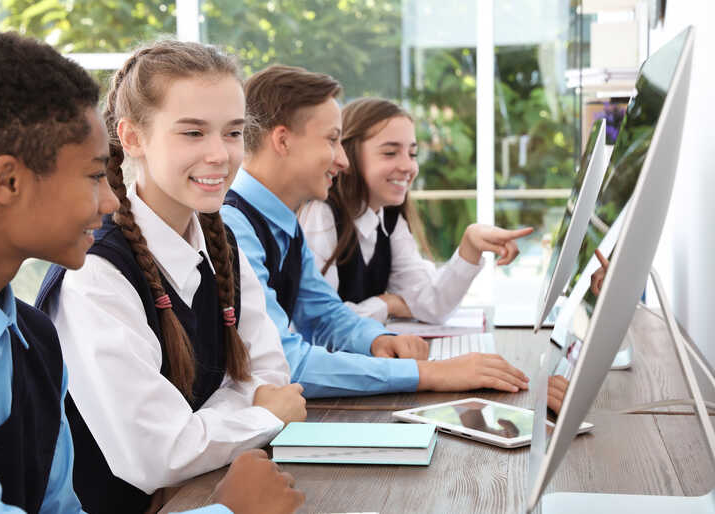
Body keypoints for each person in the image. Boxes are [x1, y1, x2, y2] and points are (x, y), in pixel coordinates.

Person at [35, 41, 305, 513]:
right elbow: (158, 455)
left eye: (234, 132)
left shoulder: (222, 246)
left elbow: (271, 374)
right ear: (133, 137)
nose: (220, 155)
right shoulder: (95, 272)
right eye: (193, 133)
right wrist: (261, 412)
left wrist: (212, 423)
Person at [221, 64, 530, 399]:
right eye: (332, 141)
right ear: (282, 140)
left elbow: (325, 316)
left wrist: (376, 340)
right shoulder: (233, 226)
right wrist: (427, 373)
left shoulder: (283, 223)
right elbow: (283, 363)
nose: (343, 160)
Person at [299, 97, 533, 324]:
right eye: (390, 153)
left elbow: (432, 305)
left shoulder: (388, 219)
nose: (408, 166)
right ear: (347, 156)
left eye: (412, 154)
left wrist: (470, 246)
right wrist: (386, 305)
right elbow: (318, 322)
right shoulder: (322, 214)